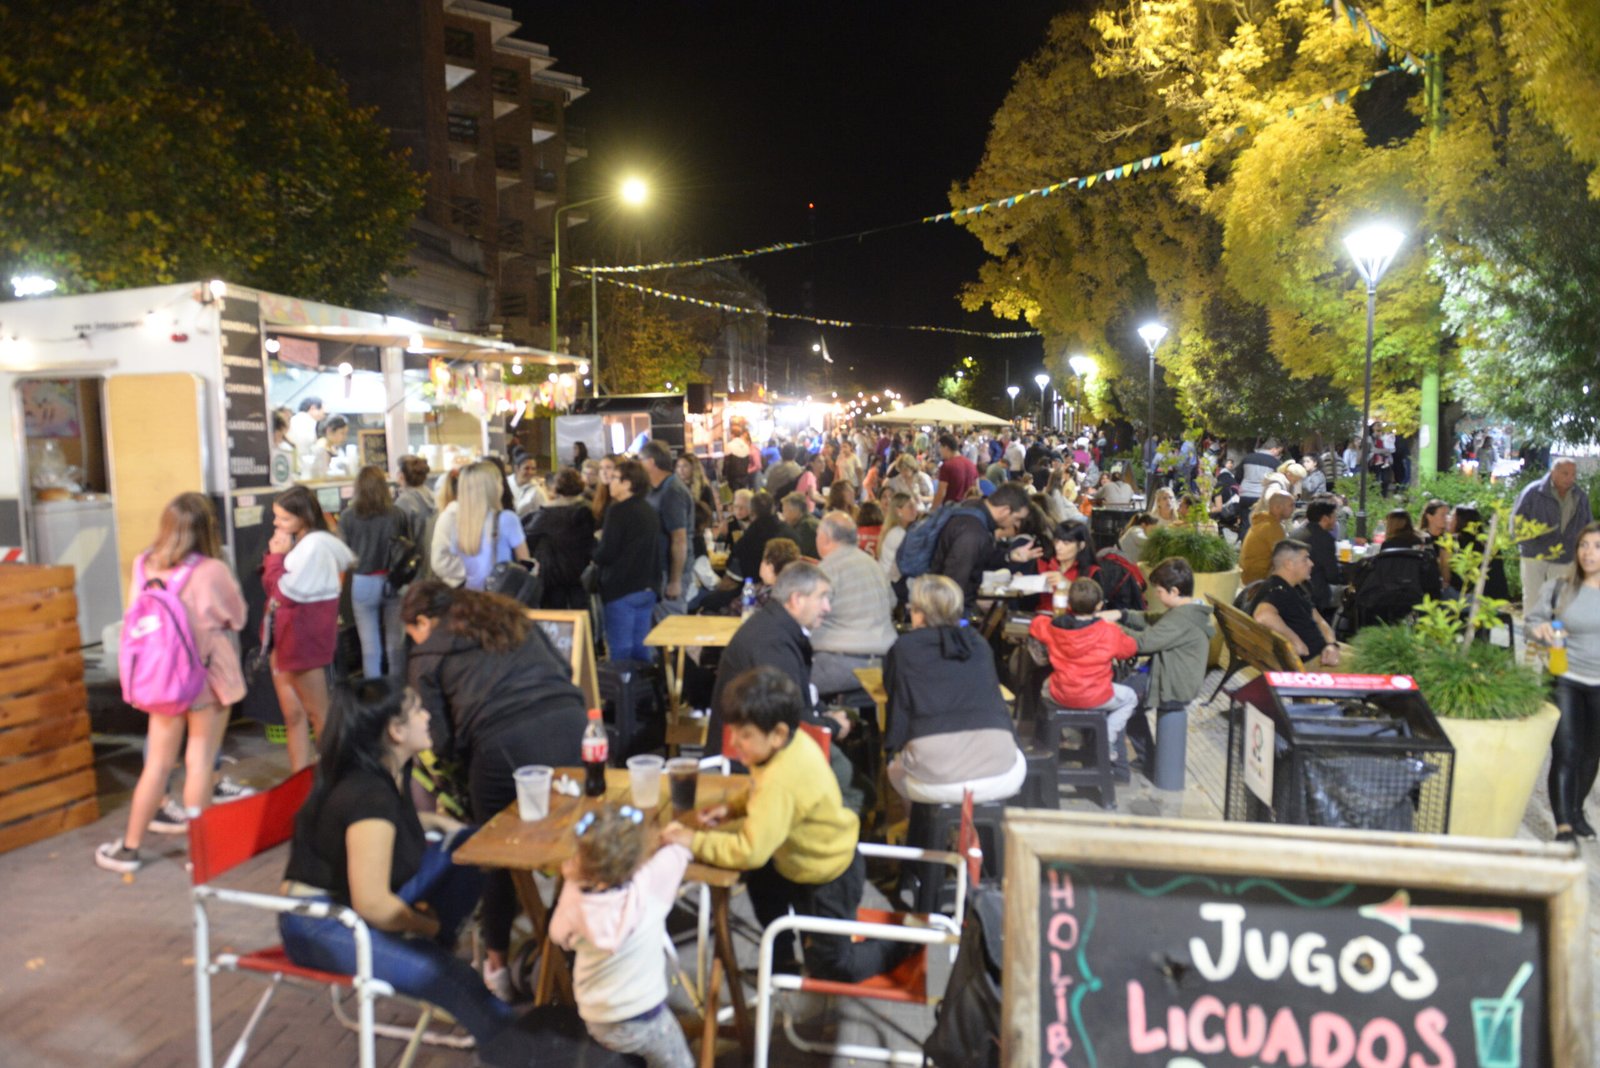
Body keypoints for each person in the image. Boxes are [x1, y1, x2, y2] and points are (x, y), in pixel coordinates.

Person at [276, 678, 529, 1061]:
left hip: (349, 903)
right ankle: (523, 1051)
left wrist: (442, 825)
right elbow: (373, 903)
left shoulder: (388, 770)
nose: (427, 716)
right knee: (450, 977)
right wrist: (423, 926)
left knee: (474, 845)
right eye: (417, 711)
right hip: (321, 925)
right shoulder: (367, 795)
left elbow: (386, 838)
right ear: (395, 731)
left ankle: (430, 943)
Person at [663, 666, 910, 981]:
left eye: (745, 734)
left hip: (829, 876)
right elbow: (759, 794)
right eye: (734, 731)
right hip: (796, 858)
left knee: (833, 966)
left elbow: (749, 849)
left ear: (777, 733)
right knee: (762, 882)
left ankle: (899, 945)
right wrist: (731, 809)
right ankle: (781, 962)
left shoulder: (782, 779)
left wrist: (690, 840)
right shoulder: (785, 748)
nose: (735, 742)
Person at [402, 581, 587, 995]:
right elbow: (566, 669)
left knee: (498, 855)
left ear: (423, 620)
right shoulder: (511, 618)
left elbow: (438, 737)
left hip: (502, 744)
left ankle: (497, 968)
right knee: (575, 838)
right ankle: (569, 942)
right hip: (570, 723)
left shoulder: (428, 651)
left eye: (410, 630)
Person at [94, 494, 247, 873]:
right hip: (207, 679)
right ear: (207, 529)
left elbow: (135, 617)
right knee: (198, 764)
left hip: (161, 678)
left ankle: (128, 849)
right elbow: (238, 616)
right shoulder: (211, 570)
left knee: (156, 766)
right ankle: (201, 854)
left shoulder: (144, 565)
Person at [550, 805, 695, 1067]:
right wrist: (670, 835)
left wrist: (573, 878)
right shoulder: (651, 884)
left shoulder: (574, 896)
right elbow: (680, 849)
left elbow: (558, 935)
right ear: (639, 857)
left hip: (597, 1017)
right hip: (644, 1015)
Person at [883, 575, 1025, 803]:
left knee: (895, 769)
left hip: (935, 779)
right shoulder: (978, 644)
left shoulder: (906, 648)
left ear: (919, 611)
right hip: (1001, 771)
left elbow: (895, 698)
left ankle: (922, 833)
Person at [706, 562, 846, 758]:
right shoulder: (773, 642)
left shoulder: (776, 629)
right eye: (822, 597)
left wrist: (824, 715)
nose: (827, 607)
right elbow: (787, 718)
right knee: (849, 780)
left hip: (758, 751)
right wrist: (833, 726)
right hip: (746, 761)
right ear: (797, 599)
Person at [264, 485, 354, 771]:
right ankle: (299, 778)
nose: (277, 524)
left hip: (303, 642)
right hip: (286, 640)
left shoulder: (314, 547)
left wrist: (275, 559)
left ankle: (334, 776)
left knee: (317, 714)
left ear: (303, 517)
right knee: (293, 715)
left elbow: (282, 592)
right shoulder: (305, 544)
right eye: (276, 517)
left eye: (284, 519)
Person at [1525, 522, 1600, 843]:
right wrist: (1539, 630)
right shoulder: (1560, 588)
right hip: (1564, 676)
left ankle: (1576, 810)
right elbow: (1533, 620)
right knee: (1567, 751)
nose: (1589, 553)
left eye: (1596, 546)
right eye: (1584, 545)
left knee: (1590, 754)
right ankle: (1564, 825)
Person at [1106, 558, 1216, 772]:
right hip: (1168, 674)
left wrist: (1112, 627)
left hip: (1172, 683)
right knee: (1130, 703)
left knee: (1118, 699)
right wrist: (1123, 614)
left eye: (1159, 591)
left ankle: (1118, 768)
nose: (1156, 595)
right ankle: (1149, 760)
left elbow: (1143, 643)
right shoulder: (1188, 611)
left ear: (1174, 591)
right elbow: (1152, 620)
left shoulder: (1182, 620)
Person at [1030, 577, 1142, 778]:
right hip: (1098, 696)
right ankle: (1108, 734)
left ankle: (1043, 742)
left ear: (1070, 604)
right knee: (1130, 697)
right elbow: (1130, 648)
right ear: (1099, 605)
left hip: (1061, 694)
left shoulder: (1054, 627)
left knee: (1044, 686)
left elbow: (1036, 624)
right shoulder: (1108, 631)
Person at [809, 512, 898, 695]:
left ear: (825, 538)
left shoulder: (828, 569)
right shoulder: (873, 565)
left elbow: (808, 616)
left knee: (782, 683)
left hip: (843, 662)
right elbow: (892, 602)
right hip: (885, 661)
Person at [339, 466, 408, 679]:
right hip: (393, 580)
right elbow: (406, 545)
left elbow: (344, 555)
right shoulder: (397, 513)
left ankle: (374, 693)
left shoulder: (348, 516)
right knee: (395, 643)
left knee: (370, 647)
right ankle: (397, 690)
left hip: (363, 583)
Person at [930, 481, 1042, 613]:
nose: (1017, 524)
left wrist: (1009, 556)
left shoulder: (973, 509)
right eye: (1017, 518)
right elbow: (955, 580)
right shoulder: (972, 532)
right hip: (947, 607)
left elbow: (982, 554)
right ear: (1005, 511)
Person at [593, 459, 662, 663]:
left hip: (621, 589)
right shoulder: (649, 511)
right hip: (647, 588)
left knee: (621, 650)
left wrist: (595, 545)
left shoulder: (617, 511)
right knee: (642, 648)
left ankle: (624, 692)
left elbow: (607, 553)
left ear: (628, 483)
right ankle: (644, 691)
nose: (610, 482)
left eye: (615, 478)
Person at [438, 461, 529, 591]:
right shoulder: (507, 519)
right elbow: (524, 561)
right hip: (499, 597)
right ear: (492, 487)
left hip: (469, 598)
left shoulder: (456, 521)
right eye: (499, 481)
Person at [1514, 457, 1593, 606]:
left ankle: (1555, 630)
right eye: (1565, 473)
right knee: (1533, 598)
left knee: (1560, 602)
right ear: (1553, 472)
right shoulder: (1533, 492)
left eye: (1573, 474)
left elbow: (1587, 525)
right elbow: (1517, 521)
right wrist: (1530, 544)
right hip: (1534, 555)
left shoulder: (1580, 496)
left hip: (1565, 555)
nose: (1570, 478)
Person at [1250, 539, 1340, 667]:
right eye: (1305, 559)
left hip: (1325, 653)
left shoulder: (1294, 588)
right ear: (1289, 564)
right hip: (1311, 663)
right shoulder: (1277, 590)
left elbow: (1320, 620)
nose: (1311, 563)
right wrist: (1294, 641)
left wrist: (1332, 645)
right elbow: (1263, 616)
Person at [523, 467, 595, 610]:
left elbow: (528, 537)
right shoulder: (587, 509)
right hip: (580, 572)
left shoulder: (546, 514)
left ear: (556, 487)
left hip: (552, 575)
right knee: (581, 614)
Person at [641, 440, 693, 615]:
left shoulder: (672, 491)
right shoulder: (655, 489)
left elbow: (679, 538)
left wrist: (675, 581)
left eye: (641, 460)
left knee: (671, 627)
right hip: (658, 570)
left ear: (650, 462)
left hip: (669, 572)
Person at [1290, 499, 1344, 613]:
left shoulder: (1297, 532)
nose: (1336, 520)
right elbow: (1332, 576)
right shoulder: (1325, 539)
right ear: (1325, 518)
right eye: (1334, 516)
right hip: (1315, 594)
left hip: (1294, 588)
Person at [728, 490, 792, 580]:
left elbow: (734, 558)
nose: (738, 511)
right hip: (789, 579)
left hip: (756, 582)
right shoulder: (787, 528)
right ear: (773, 508)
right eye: (736, 507)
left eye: (742, 507)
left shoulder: (752, 533)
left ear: (751, 511)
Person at [1238, 490, 1294, 586]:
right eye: (1291, 505)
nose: (1294, 509)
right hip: (1259, 581)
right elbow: (1284, 557)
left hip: (1248, 578)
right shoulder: (1271, 527)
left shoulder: (1264, 522)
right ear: (1277, 507)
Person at [877, 492, 917, 584]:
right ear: (898, 511)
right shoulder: (897, 533)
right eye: (910, 506)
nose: (915, 509)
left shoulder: (896, 530)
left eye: (915, 506)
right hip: (891, 585)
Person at [394, 455, 435, 545]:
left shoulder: (404, 501)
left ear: (401, 476)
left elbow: (399, 535)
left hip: (416, 556)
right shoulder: (430, 494)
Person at [931, 433, 979, 509]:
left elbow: (941, 493)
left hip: (951, 510)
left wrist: (932, 511)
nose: (940, 451)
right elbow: (976, 489)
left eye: (940, 448)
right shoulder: (971, 465)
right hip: (968, 508)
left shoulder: (947, 466)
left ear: (946, 447)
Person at [305, 414, 351, 480]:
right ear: (329, 430)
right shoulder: (320, 449)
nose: (345, 437)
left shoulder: (334, 448)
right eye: (342, 433)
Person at [675, 452, 716, 516]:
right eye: (678, 466)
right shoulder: (676, 487)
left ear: (693, 468)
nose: (681, 470)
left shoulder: (704, 488)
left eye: (685, 466)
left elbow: (710, 511)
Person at [780, 493, 819, 558]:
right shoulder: (808, 521)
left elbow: (796, 554)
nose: (783, 516)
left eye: (785, 511)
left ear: (795, 511)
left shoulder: (806, 527)